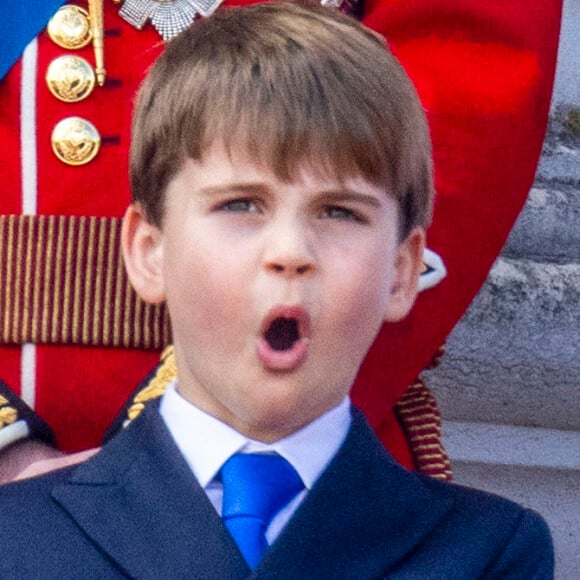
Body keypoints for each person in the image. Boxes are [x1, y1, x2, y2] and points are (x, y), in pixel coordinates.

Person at [0, 4, 553, 577]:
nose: (289, 252)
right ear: (147, 249)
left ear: (403, 269)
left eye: (337, 212)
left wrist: (153, 486)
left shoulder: (489, 550)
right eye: (239, 204)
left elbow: (470, 78)